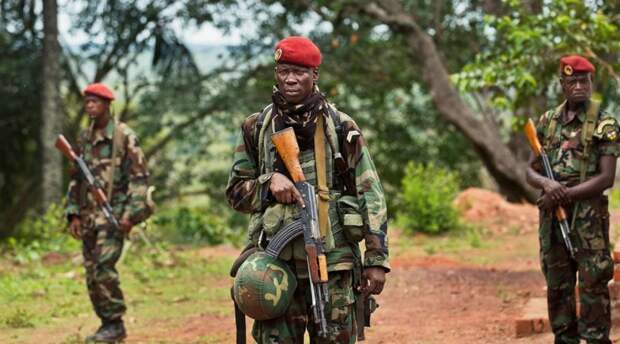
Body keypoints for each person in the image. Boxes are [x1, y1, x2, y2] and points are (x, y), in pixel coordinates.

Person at [226, 36, 390, 343]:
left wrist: (377, 260)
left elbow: (371, 194)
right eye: (284, 70)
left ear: (314, 75)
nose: (289, 78)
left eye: (299, 72)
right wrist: (267, 183)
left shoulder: (340, 126)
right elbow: (235, 192)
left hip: (334, 260)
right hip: (275, 266)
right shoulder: (256, 126)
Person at [526, 55, 619, 344]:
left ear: (591, 83)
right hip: (553, 221)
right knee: (558, 287)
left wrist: (560, 194)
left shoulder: (604, 123)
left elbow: (606, 178)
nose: (579, 86)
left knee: (593, 288)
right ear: (563, 84)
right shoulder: (547, 122)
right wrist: (546, 184)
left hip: (589, 221)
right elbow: (530, 169)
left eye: (584, 80)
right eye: (572, 81)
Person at [65, 83, 152, 342]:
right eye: (87, 101)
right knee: (92, 273)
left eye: (95, 102)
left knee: (103, 268)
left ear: (107, 105)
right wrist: (73, 213)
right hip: (89, 215)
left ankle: (115, 324)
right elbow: (76, 179)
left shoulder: (123, 137)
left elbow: (139, 178)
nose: (90, 106)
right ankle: (107, 323)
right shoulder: (84, 138)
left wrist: (131, 215)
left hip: (114, 214)